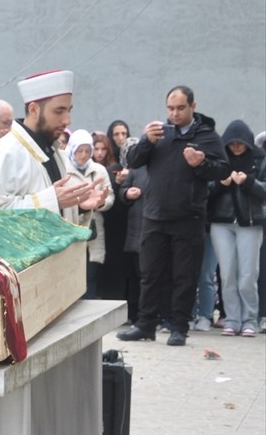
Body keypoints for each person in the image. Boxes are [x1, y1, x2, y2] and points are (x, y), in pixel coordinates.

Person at [117, 86, 229, 346]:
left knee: (184, 276)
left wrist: (201, 163)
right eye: (170, 108)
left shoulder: (207, 136)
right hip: (154, 215)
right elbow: (133, 161)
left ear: (193, 106)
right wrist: (146, 140)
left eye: (180, 108)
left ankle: (179, 327)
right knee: (150, 274)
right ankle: (145, 325)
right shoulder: (159, 133)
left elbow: (222, 170)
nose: (174, 113)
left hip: (188, 218)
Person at [0, 70, 106, 222]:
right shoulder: (4, 153)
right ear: (33, 109)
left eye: (69, 111)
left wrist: (79, 205)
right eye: (59, 111)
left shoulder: (55, 152)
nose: (67, 120)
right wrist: (51, 200)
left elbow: (57, 211)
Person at [207, 120, 265, 337]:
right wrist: (220, 184)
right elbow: (205, 191)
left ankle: (250, 319)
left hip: (250, 223)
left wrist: (248, 182)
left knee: (249, 274)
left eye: (240, 143)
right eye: (232, 143)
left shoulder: (260, 160)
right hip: (221, 223)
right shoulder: (219, 160)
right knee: (227, 273)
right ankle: (231, 318)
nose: (236, 147)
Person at [63, 130, 115, 298]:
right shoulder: (63, 169)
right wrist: (78, 203)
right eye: (79, 151)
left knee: (91, 271)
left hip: (93, 226)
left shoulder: (98, 170)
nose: (83, 155)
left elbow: (110, 196)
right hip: (69, 224)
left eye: (87, 151)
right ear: (72, 150)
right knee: (69, 270)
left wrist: (101, 203)